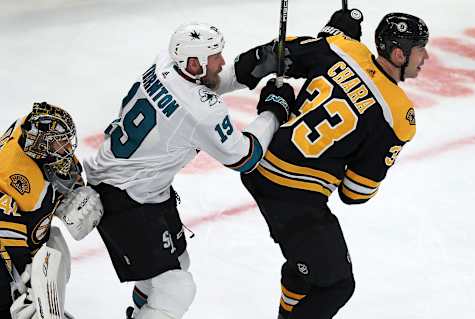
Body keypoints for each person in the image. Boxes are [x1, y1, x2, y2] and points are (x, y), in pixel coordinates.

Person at [83, 22, 294, 319]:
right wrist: (274, 111)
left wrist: (254, 62)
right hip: (125, 197)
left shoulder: (165, 62)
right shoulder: (200, 111)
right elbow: (245, 157)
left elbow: (201, 86)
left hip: (138, 186)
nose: (222, 62)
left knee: (176, 265)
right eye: (216, 56)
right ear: (194, 63)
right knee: (177, 287)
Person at [239, 9, 430, 319]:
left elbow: (283, 53)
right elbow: (355, 193)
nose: (426, 57)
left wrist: (334, 34)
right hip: (294, 195)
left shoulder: (345, 49)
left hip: (261, 164)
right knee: (337, 285)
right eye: (421, 49)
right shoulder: (398, 116)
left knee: (304, 267)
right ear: (399, 53)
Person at [0, 102, 103, 319]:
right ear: (40, 146)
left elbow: (70, 180)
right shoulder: (22, 180)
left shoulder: (29, 135)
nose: (68, 148)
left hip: (18, 233)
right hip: (7, 240)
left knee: (53, 246)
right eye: (61, 143)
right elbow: (10, 243)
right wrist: (23, 283)